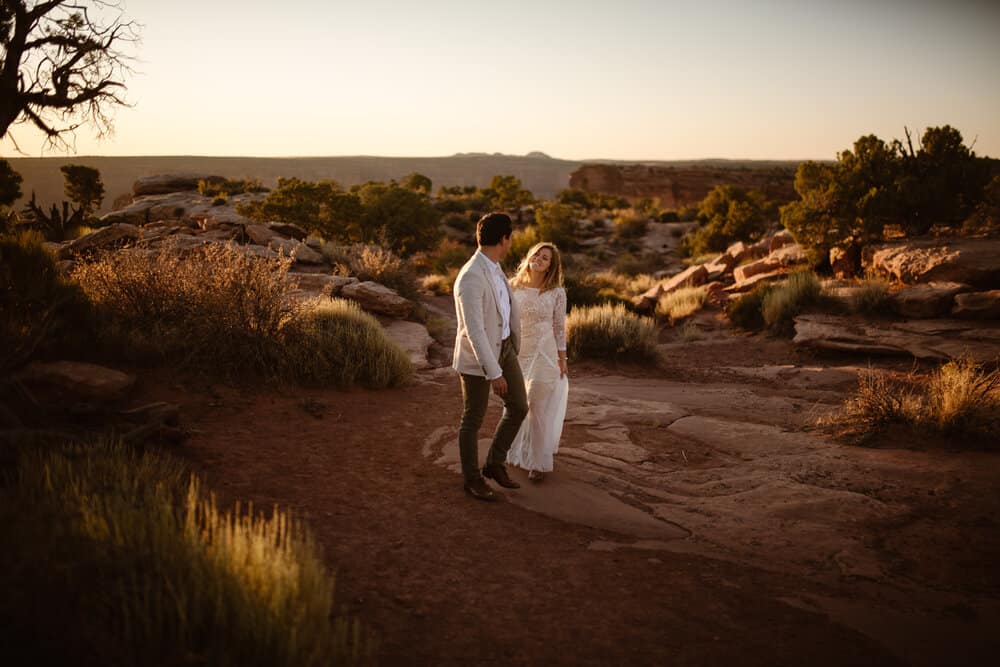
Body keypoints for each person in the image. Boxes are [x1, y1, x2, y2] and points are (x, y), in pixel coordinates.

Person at [452, 212, 528, 502]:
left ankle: (494, 463)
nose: (511, 242)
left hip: (505, 347)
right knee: (473, 418)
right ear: (504, 239)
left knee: (519, 405)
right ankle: (472, 480)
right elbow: (474, 331)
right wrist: (493, 372)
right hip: (478, 357)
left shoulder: (496, 268)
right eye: (511, 237)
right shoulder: (471, 277)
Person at [505, 242, 568, 482]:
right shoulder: (512, 287)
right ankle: (515, 450)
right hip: (519, 355)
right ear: (529, 257)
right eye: (537, 255)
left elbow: (559, 328)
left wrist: (563, 359)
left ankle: (539, 464)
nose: (539, 259)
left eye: (545, 258)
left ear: (551, 266)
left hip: (545, 355)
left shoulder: (557, 293)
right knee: (517, 405)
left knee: (535, 407)